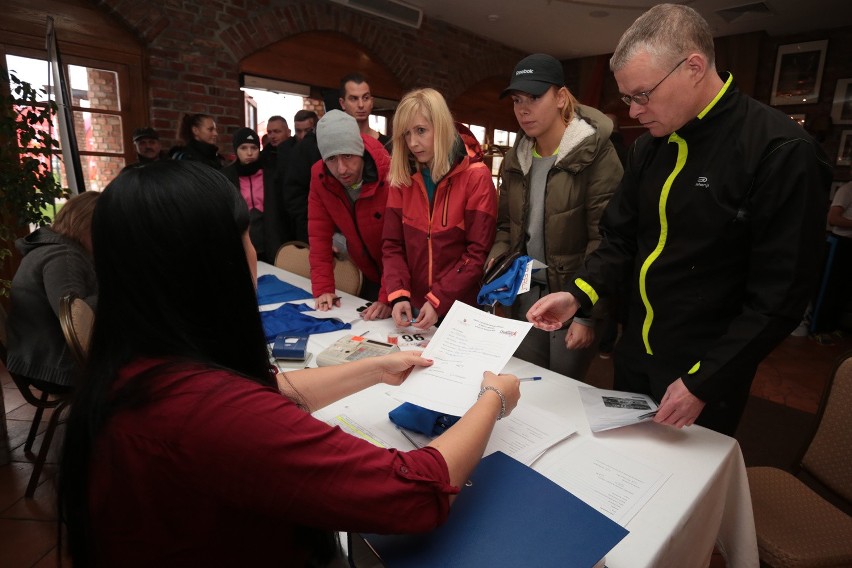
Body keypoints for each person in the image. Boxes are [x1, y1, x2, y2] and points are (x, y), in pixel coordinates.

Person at [57, 160, 520, 566]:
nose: (254, 253)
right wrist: (493, 398)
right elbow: (419, 490)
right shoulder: (211, 415)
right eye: (245, 239)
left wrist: (377, 368)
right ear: (210, 265)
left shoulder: (137, 366)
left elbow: (266, 395)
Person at [526, 3, 831, 436]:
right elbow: (620, 238)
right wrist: (578, 295)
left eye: (641, 94)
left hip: (704, 370)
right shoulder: (651, 145)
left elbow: (779, 297)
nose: (632, 111)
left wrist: (704, 380)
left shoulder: (780, 151)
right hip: (636, 353)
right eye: (627, 97)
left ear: (693, 67)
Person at [490, 53, 622, 382]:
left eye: (534, 97)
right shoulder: (515, 159)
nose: (523, 108)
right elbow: (506, 227)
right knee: (527, 388)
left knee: (564, 394)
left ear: (560, 97)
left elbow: (605, 240)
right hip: (525, 298)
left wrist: (587, 314)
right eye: (518, 99)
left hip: (572, 299)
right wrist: (497, 274)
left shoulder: (597, 154)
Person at [383, 88, 498, 330]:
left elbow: (477, 253)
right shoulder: (401, 176)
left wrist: (438, 299)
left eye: (421, 131)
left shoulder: (476, 176)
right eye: (406, 134)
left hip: (462, 309)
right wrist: (399, 293)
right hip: (415, 306)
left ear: (442, 126)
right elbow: (393, 245)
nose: (413, 143)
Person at [5, 191, 99, 390]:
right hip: (55, 365)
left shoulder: (56, 248)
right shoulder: (63, 257)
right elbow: (75, 318)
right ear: (83, 224)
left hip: (38, 357)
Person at [309, 110, 391, 319]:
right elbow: (319, 234)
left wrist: (390, 295)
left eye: (348, 156)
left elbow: (401, 244)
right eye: (332, 159)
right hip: (369, 270)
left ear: (360, 150)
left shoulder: (389, 173)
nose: (342, 169)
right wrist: (324, 288)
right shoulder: (320, 177)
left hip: (402, 275)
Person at [221, 127, 285, 264]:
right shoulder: (225, 178)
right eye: (243, 148)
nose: (249, 153)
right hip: (240, 247)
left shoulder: (271, 175)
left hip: (270, 244)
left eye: (254, 148)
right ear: (236, 149)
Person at [809, 180, 852, 340]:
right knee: (829, 287)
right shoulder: (847, 190)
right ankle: (817, 329)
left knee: (844, 289)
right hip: (840, 243)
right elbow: (833, 219)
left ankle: (832, 327)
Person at [339, 72, 391, 147]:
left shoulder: (388, 145)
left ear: (372, 102)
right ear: (342, 103)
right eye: (354, 99)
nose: (361, 105)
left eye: (365, 98)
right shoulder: (335, 145)